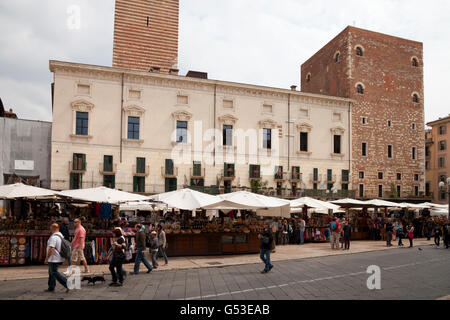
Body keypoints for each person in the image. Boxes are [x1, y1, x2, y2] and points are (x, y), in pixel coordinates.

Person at [45, 223, 69, 293]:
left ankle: (67, 283)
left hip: (54, 258)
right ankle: (51, 287)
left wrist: (47, 258)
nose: (50, 228)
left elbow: (51, 248)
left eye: (50, 227)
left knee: (54, 272)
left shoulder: (53, 237)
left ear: (53, 228)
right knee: (51, 272)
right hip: (57, 257)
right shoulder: (60, 235)